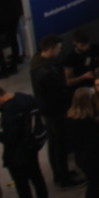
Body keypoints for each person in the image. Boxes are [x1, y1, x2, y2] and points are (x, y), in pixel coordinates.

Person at [0, 85, 48, 198]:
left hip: (17, 152)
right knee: (36, 174)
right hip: (32, 145)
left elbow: (10, 138)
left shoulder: (10, 111)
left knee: (21, 182)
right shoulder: (25, 99)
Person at [29, 35, 76, 187]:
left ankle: (59, 173)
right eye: (58, 48)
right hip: (55, 110)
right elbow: (58, 90)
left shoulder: (36, 62)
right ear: (51, 49)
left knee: (54, 142)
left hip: (47, 110)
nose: (59, 51)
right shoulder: (46, 71)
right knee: (59, 144)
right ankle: (64, 177)